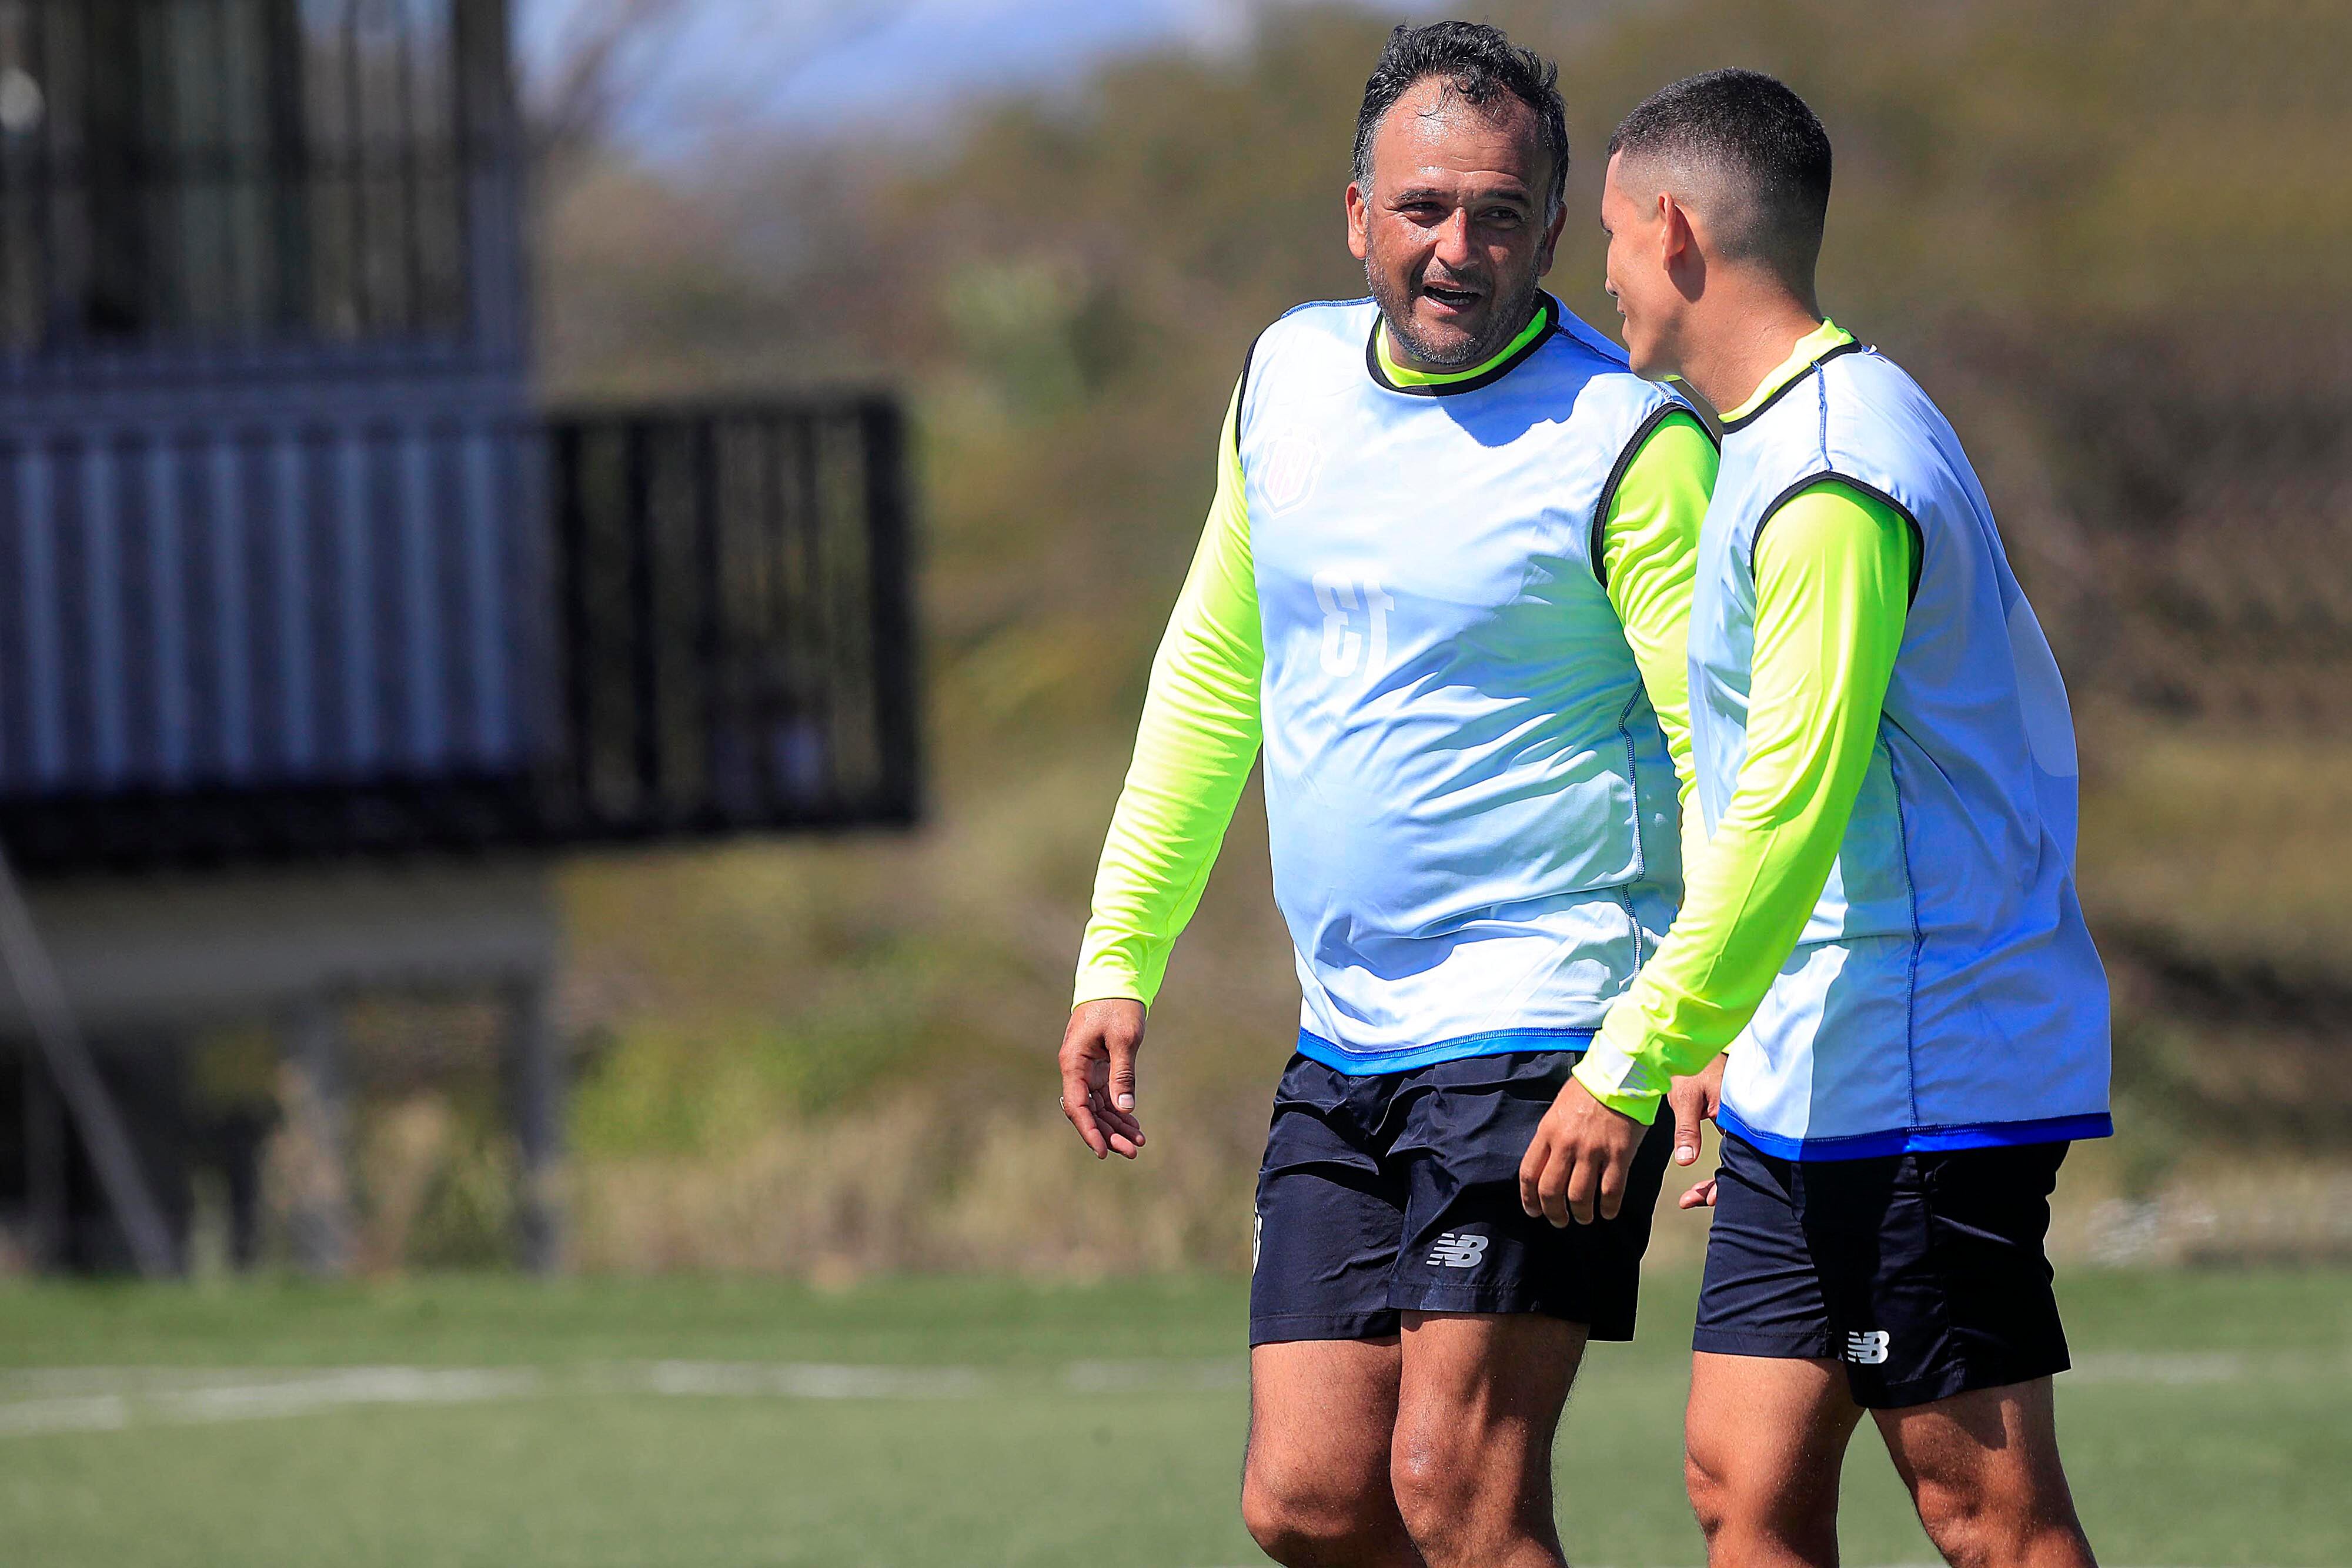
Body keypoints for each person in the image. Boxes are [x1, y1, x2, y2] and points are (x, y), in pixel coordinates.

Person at [1056, 21, 1719, 1568]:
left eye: (1499, 212)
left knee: (1461, 1492)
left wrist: (1694, 1023)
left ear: (1553, 229)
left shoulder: (1628, 434)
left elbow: (1724, 756)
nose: (1457, 248)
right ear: (1357, 212)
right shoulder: (1285, 379)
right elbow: (1213, 679)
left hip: (1554, 1022)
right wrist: (1118, 953)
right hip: (1347, 1031)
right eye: (1423, 209)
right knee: (1311, 1501)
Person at [1518, 68, 2111, 1568]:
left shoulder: (1835, 475)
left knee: (1986, 1515)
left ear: (1670, 231)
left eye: (1601, 233)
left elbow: (1784, 811)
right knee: (1741, 1481)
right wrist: (1732, 1028)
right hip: (1813, 1058)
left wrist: (1634, 1056)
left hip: (1923, 1058)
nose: (1593, 272)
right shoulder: (1768, 439)